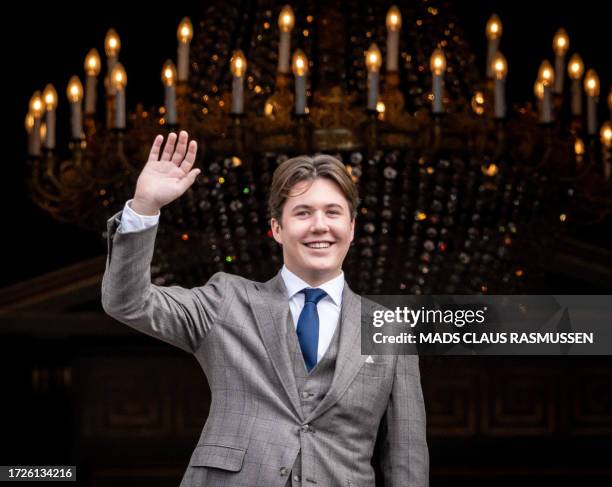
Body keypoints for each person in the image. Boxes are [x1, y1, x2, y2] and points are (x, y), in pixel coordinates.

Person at [101, 130, 428, 486]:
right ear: (277, 228)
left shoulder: (389, 328)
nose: (320, 225)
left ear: (351, 227)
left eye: (333, 212)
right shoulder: (224, 301)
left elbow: (406, 457)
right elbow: (128, 302)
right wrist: (145, 207)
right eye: (302, 213)